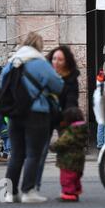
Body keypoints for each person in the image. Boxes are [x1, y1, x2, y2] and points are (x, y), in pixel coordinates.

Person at [0, 32, 64, 203]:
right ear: (39, 46)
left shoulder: (12, 63)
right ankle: (28, 192)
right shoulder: (39, 63)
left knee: (16, 154)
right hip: (36, 113)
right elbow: (57, 86)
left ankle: (9, 193)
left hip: (15, 114)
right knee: (33, 154)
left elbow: (2, 85)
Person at [36, 45, 80, 191]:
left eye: (60, 59)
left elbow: (72, 98)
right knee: (40, 152)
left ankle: (69, 187)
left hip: (63, 118)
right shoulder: (46, 74)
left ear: (66, 61)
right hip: (45, 117)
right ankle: (34, 186)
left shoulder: (72, 77)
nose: (56, 62)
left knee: (66, 152)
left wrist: (68, 117)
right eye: (54, 58)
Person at [50, 107, 88, 202]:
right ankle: (75, 192)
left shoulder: (71, 131)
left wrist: (52, 146)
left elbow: (62, 143)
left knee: (67, 178)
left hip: (68, 161)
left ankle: (69, 194)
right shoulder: (82, 130)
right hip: (79, 161)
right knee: (75, 178)